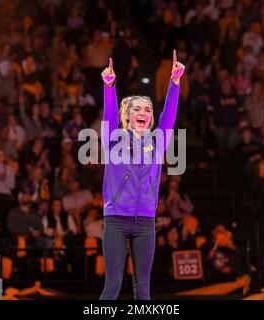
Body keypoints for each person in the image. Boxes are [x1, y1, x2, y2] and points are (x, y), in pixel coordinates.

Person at [99, 50, 184, 300]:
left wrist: (175, 83)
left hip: (146, 222)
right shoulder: (114, 139)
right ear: (128, 115)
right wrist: (109, 86)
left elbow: (168, 118)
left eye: (147, 108)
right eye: (137, 108)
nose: (143, 111)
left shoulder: (157, 142)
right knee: (112, 286)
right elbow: (109, 115)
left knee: (144, 288)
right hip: (115, 220)